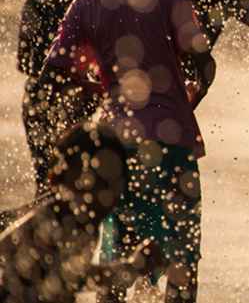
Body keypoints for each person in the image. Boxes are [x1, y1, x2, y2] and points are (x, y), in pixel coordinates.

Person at [35, 0, 216, 303]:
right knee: (183, 261)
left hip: (117, 148)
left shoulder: (85, 6)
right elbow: (205, 65)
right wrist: (191, 95)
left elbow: (51, 77)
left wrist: (77, 115)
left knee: (119, 257)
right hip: (174, 145)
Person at [0, 123, 163, 303]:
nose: (106, 195)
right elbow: (71, 276)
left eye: (115, 182)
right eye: (97, 182)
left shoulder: (84, 220)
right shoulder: (58, 219)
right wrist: (130, 268)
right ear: (64, 176)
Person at [16, 0, 91, 198]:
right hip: (57, 102)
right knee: (53, 181)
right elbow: (26, 63)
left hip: (56, 100)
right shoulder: (88, 7)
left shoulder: (86, 7)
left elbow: (25, 61)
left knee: (61, 182)